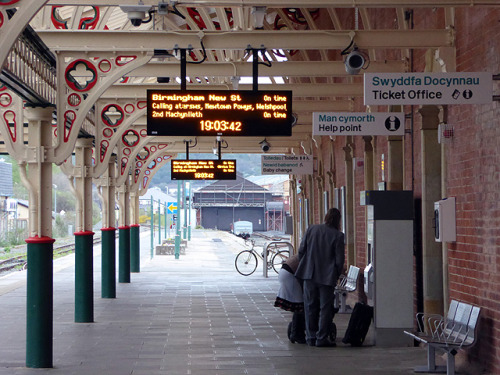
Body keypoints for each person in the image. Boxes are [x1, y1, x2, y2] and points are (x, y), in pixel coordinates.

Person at [295, 208, 345, 347]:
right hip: (327, 277)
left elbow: (301, 250)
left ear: (326, 217)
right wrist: (335, 274)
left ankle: (310, 337)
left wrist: (306, 263)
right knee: (325, 308)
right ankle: (321, 338)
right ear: (338, 220)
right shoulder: (338, 235)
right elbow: (339, 260)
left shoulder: (312, 229)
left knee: (310, 306)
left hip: (309, 274)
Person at [274, 254, 306, 344]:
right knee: (299, 306)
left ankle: (295, 332)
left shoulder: (306, 251)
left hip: (285, 272)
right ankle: (296, 334)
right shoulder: (312, 254)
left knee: (298, 305)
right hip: (290, 275)